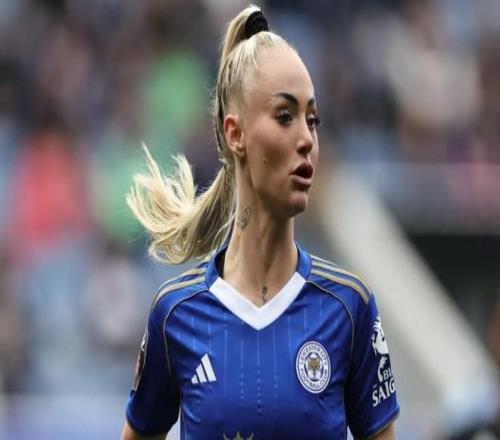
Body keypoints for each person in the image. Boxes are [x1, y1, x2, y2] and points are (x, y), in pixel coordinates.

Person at [121, 5, 399, 440]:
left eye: (312, 120)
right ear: (236, 134)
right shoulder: (176, 313)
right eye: (285, 116)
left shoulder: (349, 308)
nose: (306, 139)